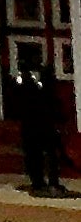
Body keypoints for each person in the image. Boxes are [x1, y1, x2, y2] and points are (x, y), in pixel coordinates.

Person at [20, 50, 74, 200]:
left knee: (51, 153)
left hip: (43, 122)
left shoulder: (44, 76)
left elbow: (51, 97)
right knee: (36, 154)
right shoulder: (25, 78)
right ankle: (39, 183)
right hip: (34, 122)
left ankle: (51, 182)